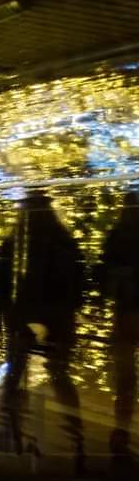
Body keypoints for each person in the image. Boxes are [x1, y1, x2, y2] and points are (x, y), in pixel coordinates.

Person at [0, 191, 85, 463]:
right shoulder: (63, 240)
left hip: (24, 317)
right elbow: (78, 282)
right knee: (59, 376)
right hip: (56, 320)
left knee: (15, 375)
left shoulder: (17, 241)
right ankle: (75, 439)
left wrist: (7, 311)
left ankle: (10, 433)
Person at [97, 190, 139, 458]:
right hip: (126, 312)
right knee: (124, 376)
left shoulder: (117, 235)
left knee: (125, 378)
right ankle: (121, 432)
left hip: (124, 313)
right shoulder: (119, 236)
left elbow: (102, 273)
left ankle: (121, 431)